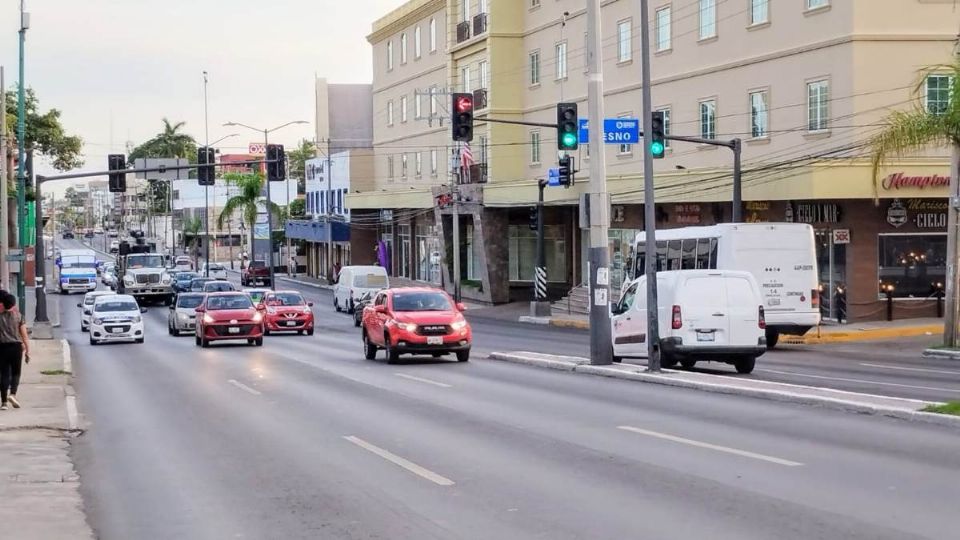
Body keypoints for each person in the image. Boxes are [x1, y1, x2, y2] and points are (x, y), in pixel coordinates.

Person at [0, 291, 30, 410]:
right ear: (13, 304)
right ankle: (12, 394)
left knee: (4, 374)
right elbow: (24, 335)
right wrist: (28, 351)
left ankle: (3, 403)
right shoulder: (19, 316)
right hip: (16, 347)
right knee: (16, 372)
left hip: (2, 347)